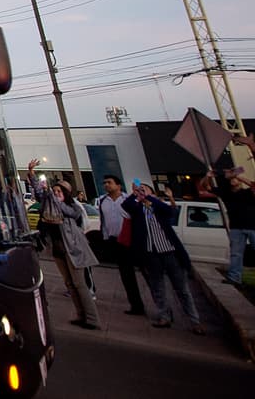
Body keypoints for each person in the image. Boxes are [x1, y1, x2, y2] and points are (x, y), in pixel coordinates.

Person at [26, 158, 101, 330]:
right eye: (55, 190)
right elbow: (38, 191)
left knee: (79, 283)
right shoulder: (47, 202)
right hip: (58, 248)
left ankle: (92, 318)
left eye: (60, 191)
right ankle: (80, 315)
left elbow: (69, 213)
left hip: (73, 248)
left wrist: (55, 198)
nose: (56, 193)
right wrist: (31, 173)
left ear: (66, 194)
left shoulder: (72, 206)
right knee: (69, 283)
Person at [122, 180, 204, 333]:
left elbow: (170, 212)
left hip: (169, 252)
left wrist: (150, 198)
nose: (142, 192)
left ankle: (194, 320)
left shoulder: (158, 207)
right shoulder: (137, 209)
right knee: (158, 287)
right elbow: (126, 206)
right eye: (140, 190)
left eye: (145, 189)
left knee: (182, 289)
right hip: (151, 254)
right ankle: (164, 316)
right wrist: (135, 195)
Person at [199, 134, 255, 287]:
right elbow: (205, 188)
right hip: (237, 226)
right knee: (236, 254)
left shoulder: (248, 192)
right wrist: (208, 176)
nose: (234, 180)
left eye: (235, 179)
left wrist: (240, 176)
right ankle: (234, 277)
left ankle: (235, 276)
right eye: (232, 179)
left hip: (253, 225)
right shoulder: (226, 193)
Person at [96, 174, 147, 315]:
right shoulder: (103, 201)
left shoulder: (128, 199)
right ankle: (136, 305)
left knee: (147, 273)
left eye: (109, 182)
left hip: (132, 240)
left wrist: (137, 184)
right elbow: (104, 221)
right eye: (105, 183)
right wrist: (105, 238)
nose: (106, 185)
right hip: (115, 241)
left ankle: (163, 308)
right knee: (126, 275)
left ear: (118, 185)